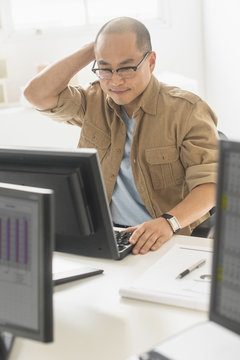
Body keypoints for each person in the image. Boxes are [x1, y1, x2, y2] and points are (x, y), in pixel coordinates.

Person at [24, 17, 218, 255]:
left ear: (151, 61)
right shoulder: (92, 101)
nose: (115, 80)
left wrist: (169, 222)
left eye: (126, 68)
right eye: (105, 68)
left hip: (169, 239)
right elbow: (36, 94)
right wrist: (91, 49)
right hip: (110, 237)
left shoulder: (187, 110)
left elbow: (210, 185)